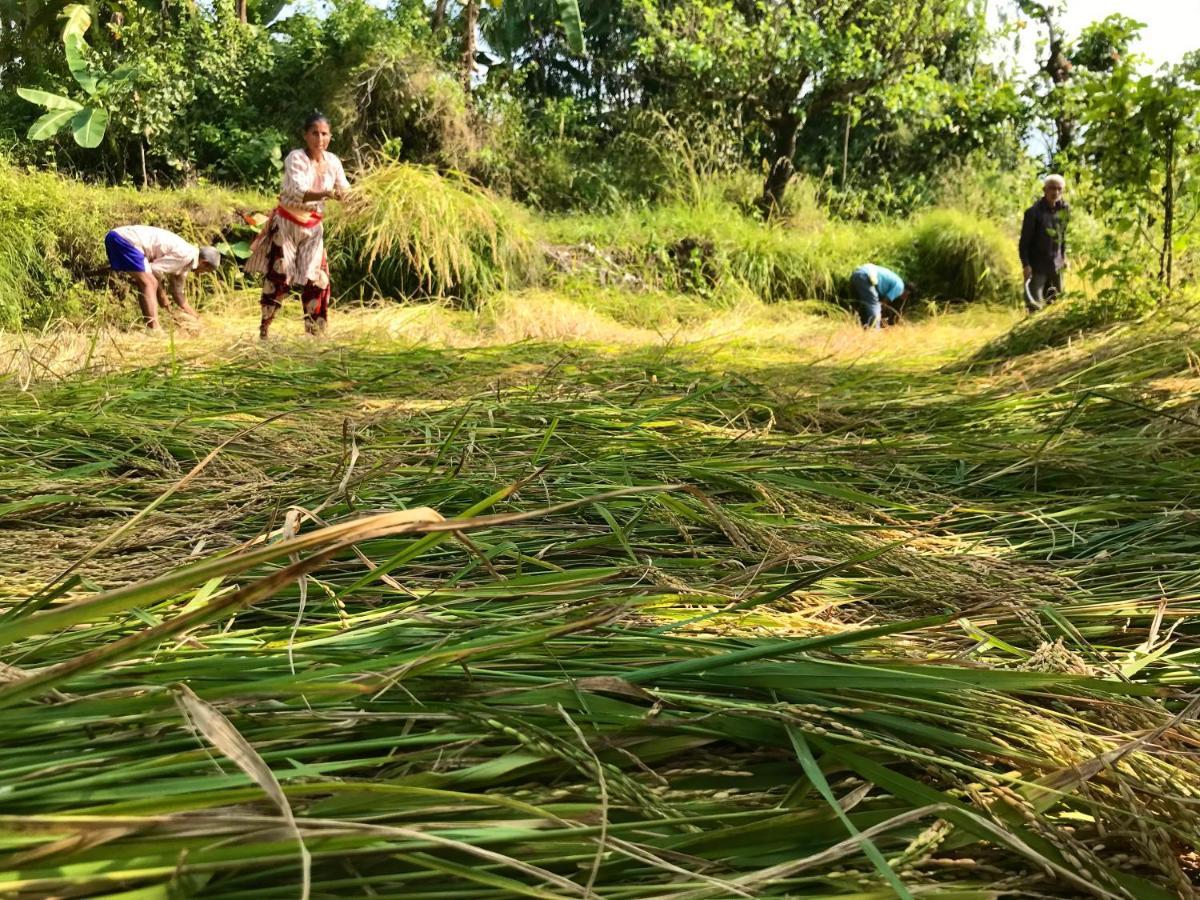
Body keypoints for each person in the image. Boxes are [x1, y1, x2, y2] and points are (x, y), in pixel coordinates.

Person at [246, 112, 351, 339]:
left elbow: (345, 188)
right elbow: (297, 191)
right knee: (280, 277)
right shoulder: (296, 158)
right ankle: (264, 330)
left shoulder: (333, 162)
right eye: (315, 133)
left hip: (313, 227)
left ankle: (314, 335)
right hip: (287, 225)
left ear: (330, 137)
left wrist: (355, 198)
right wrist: (328, 193)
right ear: (306, 135)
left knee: (317, 281)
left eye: (324, 134)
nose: (320, 139)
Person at [104, 225, 219, 331]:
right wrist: (163, 296)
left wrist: (197, 319)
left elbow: (178, 295)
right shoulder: (185, 255)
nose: (201, 274)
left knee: (149, 282)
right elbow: (154, 270)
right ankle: (154, 329)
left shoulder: (186, 264)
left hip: (123, 240)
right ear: (205, 263)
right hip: (124, 240)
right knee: (150, 283)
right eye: (206, 271)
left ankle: (151, 326)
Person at [1019, 174, 1069, 313]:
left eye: (1059, 189)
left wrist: (1064, 257)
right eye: (1052, 188)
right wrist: (1026, 265)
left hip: (1056, 265)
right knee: (1034, 305)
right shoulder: (1033, 212)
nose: (1056, 192)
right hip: (1037, 265)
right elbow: (1024, 242)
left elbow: (1062, 236)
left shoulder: (1064, 209)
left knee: (1057, 304)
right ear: (1044, 190)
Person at [849, 263, 913, 329]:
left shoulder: (896, 280)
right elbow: (883, 303)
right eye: (907, 297)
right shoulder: (900, 287)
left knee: (861, 306)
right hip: (865, 276)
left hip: (856, 274)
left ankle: (859, 328)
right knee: (874, 306)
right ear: (907, 292)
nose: (904, 299)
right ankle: (875, 332)